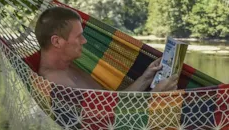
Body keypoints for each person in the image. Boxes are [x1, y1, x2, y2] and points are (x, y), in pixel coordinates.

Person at [34, 6, 178, 92]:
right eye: (79, 36)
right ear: (57, 41)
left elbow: (114, 104)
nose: (84, 41)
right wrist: (156, 97)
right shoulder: (55, 84)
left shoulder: (69, 67)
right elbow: (106, 123)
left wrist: (145, 78)